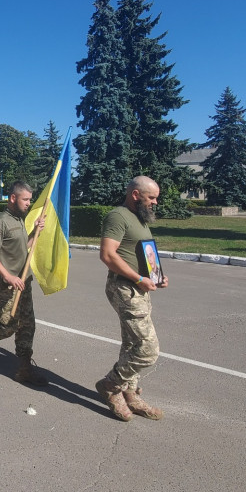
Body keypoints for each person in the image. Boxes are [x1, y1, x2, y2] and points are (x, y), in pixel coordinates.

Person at [94, 176, 169, 422]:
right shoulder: (118, 216)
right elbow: (107, 254)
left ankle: (130, 393)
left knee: (132, 345)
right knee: (148, 350)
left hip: (141, 288)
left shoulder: (140, 218)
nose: (156, 202)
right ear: (135, 195)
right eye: (151, 197)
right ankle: (110, 385)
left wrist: (157, 276)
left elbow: (139, 252)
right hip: (125, 288)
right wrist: (138, 278)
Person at [0, 182, 47, 384]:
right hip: (9, 284)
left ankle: (24, 368)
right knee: (8, 324)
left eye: (30, 199)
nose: (29, 203)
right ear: (13, 198)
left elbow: (24, 247)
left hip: (24, 281)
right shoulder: (1, 222)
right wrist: (6, 275)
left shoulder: (20, 220)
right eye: (26, 199)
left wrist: (35, 232)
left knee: (28, 325)